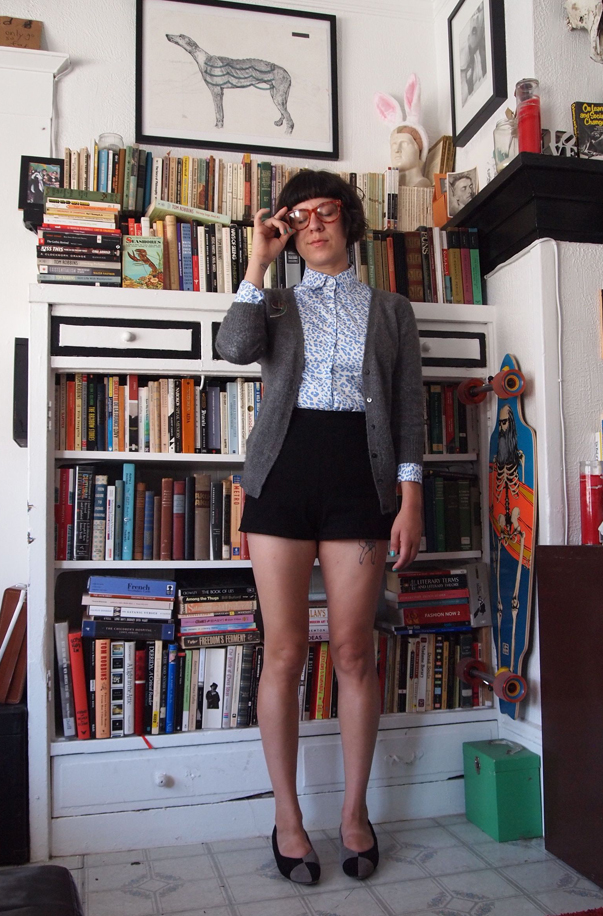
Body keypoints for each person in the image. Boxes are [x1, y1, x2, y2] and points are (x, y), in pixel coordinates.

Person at [215, 170, 423, 885]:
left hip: (361, 482)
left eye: (325, 212)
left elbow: (408, 411)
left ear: (349, 221)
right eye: (298, 217)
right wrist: (258, 260)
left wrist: (410, 499)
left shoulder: (392, 310)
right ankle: (287, 818)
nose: (313, 225)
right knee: (283, 651)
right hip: (282, 477)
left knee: (355, 650)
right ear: (287, 231)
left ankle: (355, 814)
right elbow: (233, 348)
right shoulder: (274, 303)